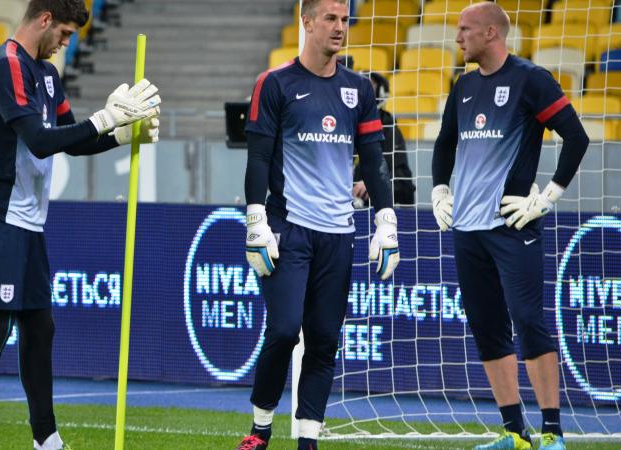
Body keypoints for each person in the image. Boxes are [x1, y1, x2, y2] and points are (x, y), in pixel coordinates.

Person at [0, 1, 161, 449]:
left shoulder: (47, 75)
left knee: (39, 327)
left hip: (28, 221)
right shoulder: (5, 65)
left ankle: (45, 438)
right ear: (44, 20)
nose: (66, 43)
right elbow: (42, 142)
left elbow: (73, 139)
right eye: (65, 33)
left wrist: (122, 136)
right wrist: (105, 119)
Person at [236, 0, 400, 449]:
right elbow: (258, 158)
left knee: (325, 340)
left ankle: (307, 440)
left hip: (338, 234)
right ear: (306, 22)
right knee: (286, 329)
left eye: (345, 19)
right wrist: (255, 218)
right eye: (330, 18)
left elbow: (373, 161)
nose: (339, 27)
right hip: (287, 227)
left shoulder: (359, 89)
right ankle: (261, 428)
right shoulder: (274, 83)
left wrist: (386, 222)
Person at [430, 3, 589, 450]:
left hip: (512, 223)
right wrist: (440, 190)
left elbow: (576, 137)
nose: (458, 38)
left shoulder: (530, 79)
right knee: (487, 326)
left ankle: (553, 433)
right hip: (467, 228)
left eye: (465, 30)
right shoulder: (462, 86)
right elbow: (444, 143)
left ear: (491, 33)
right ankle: (515, 434)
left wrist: (547, 197)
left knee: (528, 321)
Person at [353, 71, 416, 207]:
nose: (360, 91)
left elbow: (404, 185)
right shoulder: (345, 124)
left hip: (376, 210)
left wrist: (373, 185)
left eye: (368, 86)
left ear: (380, 93)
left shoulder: (389, 129)